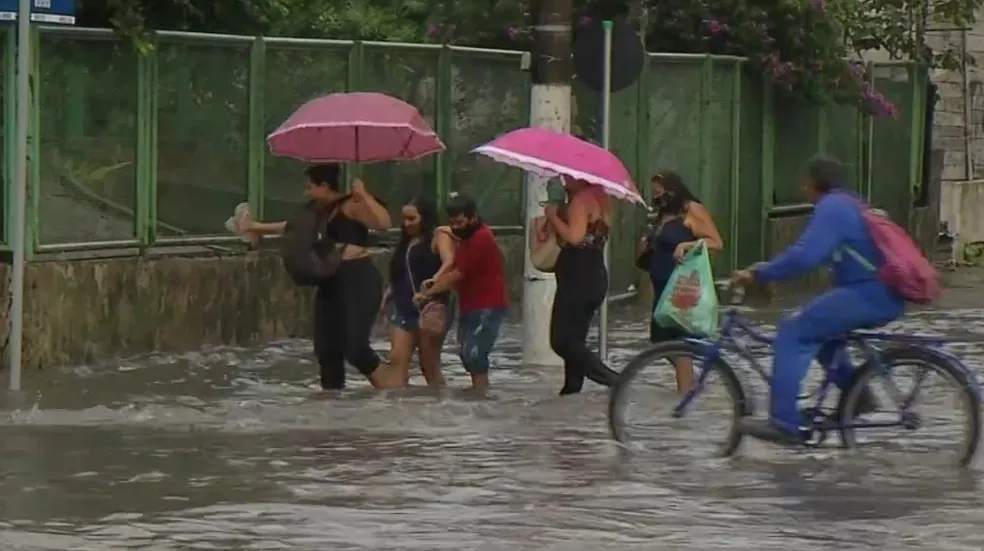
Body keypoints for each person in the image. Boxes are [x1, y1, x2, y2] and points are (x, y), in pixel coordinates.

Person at [731, 155, 900, 443]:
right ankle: (856, 395)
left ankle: (783, 422)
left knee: (792, 330)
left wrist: (760, 273)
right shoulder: (851, 203)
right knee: (821, 334)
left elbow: (805, 256)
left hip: (869, 294)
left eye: (804, 183)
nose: (802, 189)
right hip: (878, 293)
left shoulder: (832, 207)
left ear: (813, 182)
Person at [240, 163, 404, 390]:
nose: (307, 193)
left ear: (325, 185)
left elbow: (383, 223)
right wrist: (256, 227)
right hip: (330, 280)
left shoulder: (350, 205)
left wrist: (363, 194)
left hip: (358, 278)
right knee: (327, 349)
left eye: (310, 188)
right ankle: (331, 410)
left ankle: (393, 391)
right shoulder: (317, 211)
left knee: (355, 347)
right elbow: (292, 227)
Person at [637, 171, 723, 394]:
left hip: (680, 285)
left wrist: (686, 246)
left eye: (660, 192)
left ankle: (685, 396)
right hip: (660, 285)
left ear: (673, 190)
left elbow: (716, 242)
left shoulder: (691, 209)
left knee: (678, 341)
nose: (656, 197)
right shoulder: (660, 215)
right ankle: (695, 383)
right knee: (660, 341)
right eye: (654, 193)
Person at [413, 193, 507, 392]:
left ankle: (481, 392)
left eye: (460, 222)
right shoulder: (468, 235)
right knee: (466, 352)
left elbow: (458, 274)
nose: (455, 227)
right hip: (470, 303)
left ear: (473, 217)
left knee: (474, 352)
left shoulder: (481, 238)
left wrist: (430, 292)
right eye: (452, 222)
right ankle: (479, 391)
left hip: (488, 305)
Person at [544, 176, 619, 395]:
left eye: (566, 176)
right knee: (575, 339)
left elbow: (575, 238)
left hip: (578, 275)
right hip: (595, 273)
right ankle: (571, 391)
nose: (563, 180)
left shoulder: (580, 201)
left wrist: (553, 217)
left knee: (561, 341)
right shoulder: (602, 197)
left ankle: (615, 380)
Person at [382, 197, 456, 388]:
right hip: (403, 307)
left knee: (428, 364)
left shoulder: (438, 236)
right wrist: (388, 293)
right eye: (404, 219)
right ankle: (397, 410)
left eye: (412, 219)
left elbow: (450, 261)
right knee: (397, 359)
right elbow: (401, 272)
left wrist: (435, 280)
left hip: (431, 307)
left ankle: (439, 407)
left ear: (425, 218)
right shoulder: (405, 242)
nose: (407, 224)